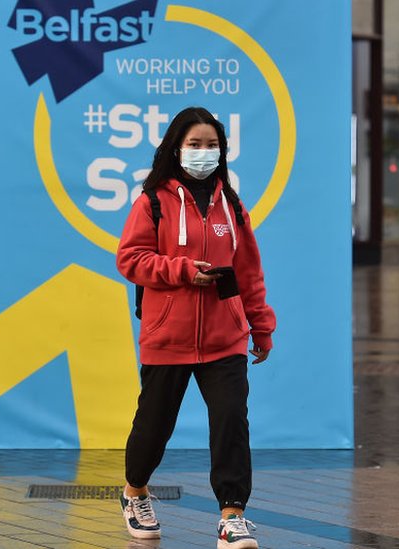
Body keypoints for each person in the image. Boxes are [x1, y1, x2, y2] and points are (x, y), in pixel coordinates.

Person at [116, 107, 276, 549]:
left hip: (225, 336)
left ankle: (232, 516)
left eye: (212, 145)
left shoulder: (232, 204)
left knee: (230, 421)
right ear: (176, 148)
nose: (204, 153)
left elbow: (249, 272)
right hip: (168, 336)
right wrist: (183, 270)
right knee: (154, 427)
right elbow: (130, 258)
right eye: (195, 144)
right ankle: (134, 493)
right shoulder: (153, 200)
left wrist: (260, 327)